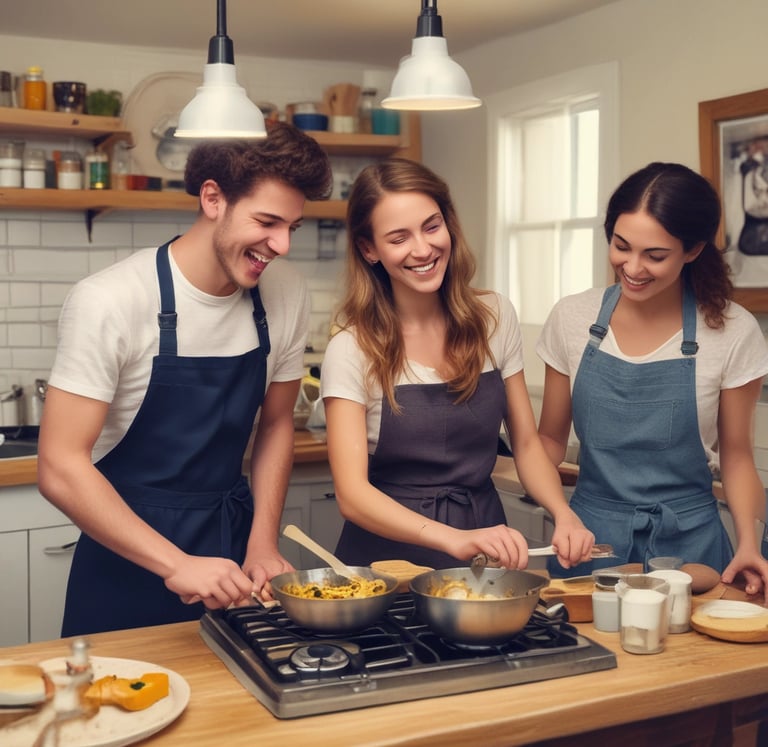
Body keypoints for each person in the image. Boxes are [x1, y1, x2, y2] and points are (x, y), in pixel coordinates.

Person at [37, 122, 333, 635]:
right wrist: (177, 563)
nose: (281, 244)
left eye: (292, 227)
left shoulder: (286, 293)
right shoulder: (111, 300)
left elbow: (278, 423)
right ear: (213, 198)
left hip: (234, 553)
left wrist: (262, 543)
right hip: (125, 556)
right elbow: (60, 466)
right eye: (267, 221)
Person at [320, 158, 594, 570]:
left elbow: (525, 444)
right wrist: (455, 539)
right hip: (385, 565)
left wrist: (563, 512)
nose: (423, 248)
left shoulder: (494, 317)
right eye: (399, 238)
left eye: (431, 226)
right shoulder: (352, 349)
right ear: (369, 249)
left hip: (484, 549)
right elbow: (352, 496)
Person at [537, 161, 768, 599]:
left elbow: (736, 456)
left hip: (694, 551)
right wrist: (556, 512)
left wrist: (749, 544)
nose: (633, 267)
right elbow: (547, 441)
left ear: (694, 250)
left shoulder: (732, 331)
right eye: (621, 246)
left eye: (655, 255)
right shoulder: (572, 317)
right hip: (590, 545)